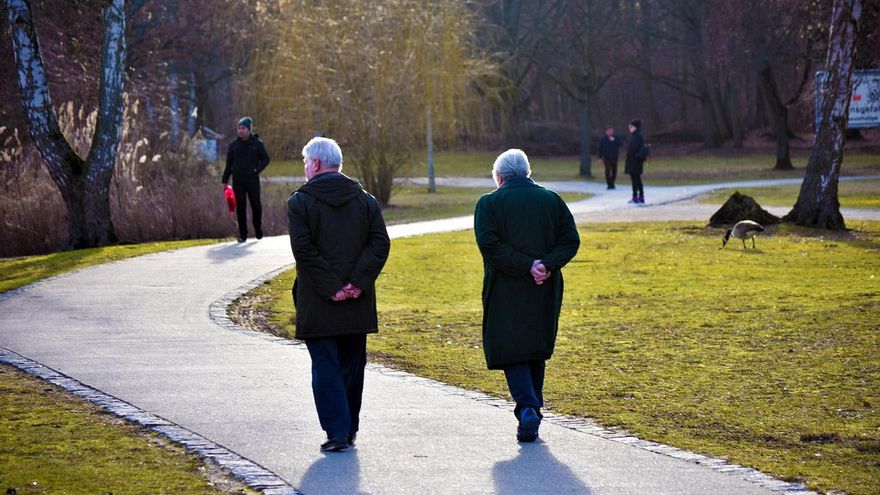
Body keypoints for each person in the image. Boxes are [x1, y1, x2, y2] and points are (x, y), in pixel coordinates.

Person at [287, 137, 390, 452]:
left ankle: (337, 431)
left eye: (306, 163)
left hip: (318, 301)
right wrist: (356, 283)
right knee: (351, 365)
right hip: (357, 303)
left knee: (326, 366)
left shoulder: (300, 202)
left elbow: (304, 250)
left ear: (315, 164)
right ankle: (348, 428)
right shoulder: (365, 201)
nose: (305, 169)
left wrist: (333, 288)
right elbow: (379, 243)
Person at [474, 149, 580, 443]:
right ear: (527, 172)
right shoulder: (551, 200)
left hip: (506, 287)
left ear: (499, 176)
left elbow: (490, 245)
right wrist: (545, 264)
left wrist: (526, 264)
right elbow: (570, 240)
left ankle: (528, 408)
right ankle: (531, 409)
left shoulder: (489, 203)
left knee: (511, 348)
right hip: (543, 286)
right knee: (534, 346)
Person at [222, 116, 270, 242]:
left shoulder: (257, 144)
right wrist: (224, 180)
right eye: (239, 128)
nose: (240, 131)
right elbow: (228, 164)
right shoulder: (233, 145)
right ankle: (243, 234)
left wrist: (257, 170)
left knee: (256, 205)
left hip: (252, 180)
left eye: (243, 128)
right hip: (238, 181)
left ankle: (258, 229)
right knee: (241, 207)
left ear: (249, 130)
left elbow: (266, 159)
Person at [625, 119, 648, 204]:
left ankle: (638, 197)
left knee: (636, 179)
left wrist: (630, 153)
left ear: (635, 127)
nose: (629, 128)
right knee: (635, 179)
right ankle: (636, 196)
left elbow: (633, 149)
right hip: (634, 161)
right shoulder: (635, 136)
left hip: (635, 161)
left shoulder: (637, 136)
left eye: (631, 126)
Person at [597, 124, 623, 190]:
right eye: (608, 131)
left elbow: (621, 144)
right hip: (606, 157)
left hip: (614, 156)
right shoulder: (603, 139)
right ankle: (609, 184)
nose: (610, 132)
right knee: (607, 170)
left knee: (614, 170)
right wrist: (600, 157)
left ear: (613, 131)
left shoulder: (616, 137)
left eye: (611, 131)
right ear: (606, 132)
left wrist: (614, 140)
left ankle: (612, 183)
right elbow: (600, 148)